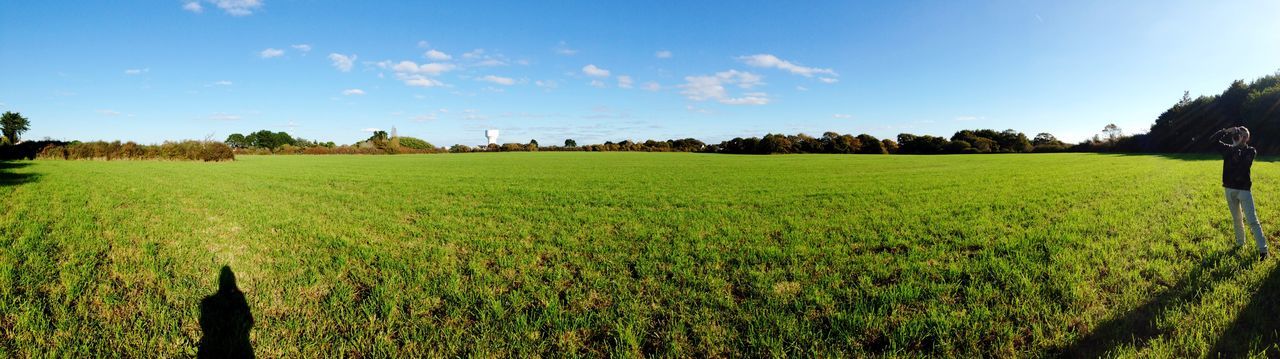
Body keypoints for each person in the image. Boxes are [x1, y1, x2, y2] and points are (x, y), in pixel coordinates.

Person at [1211, 126, 1268, 260]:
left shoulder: (1250, 151)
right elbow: (1212, 141)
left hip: (1243, 190)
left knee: (1252, 221)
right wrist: (1225, 131)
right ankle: (1240, 244)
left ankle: (1263, 250)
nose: (1238, 137)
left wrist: (1236, 146)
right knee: (1237, 219)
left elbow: (1243, 166)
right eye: (1237, 134)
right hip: (1229, 189)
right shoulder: (1228, 149)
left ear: (1246, 138)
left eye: (1242, 135)